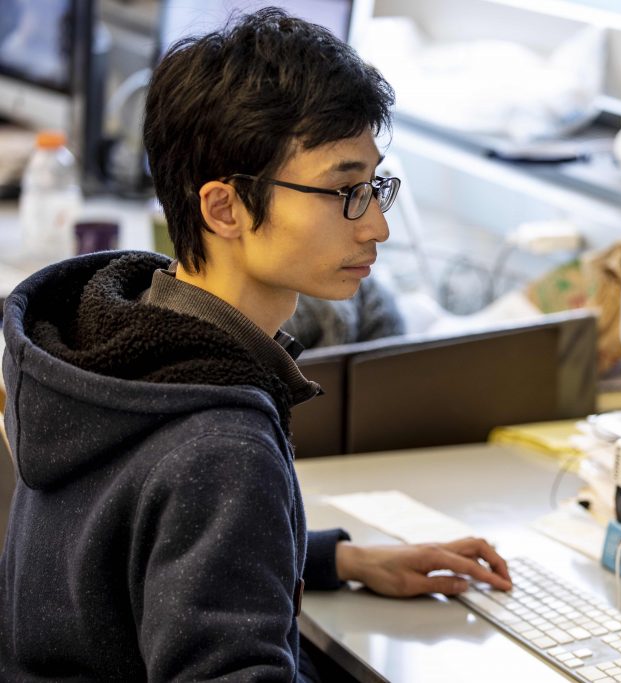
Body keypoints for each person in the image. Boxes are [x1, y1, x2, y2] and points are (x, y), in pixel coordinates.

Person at [0, 9, 511, 680]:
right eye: (343, 190)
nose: (377, 225)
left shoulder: (100, 351)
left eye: (375, 185)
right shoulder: (220, 445)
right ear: (223, 209)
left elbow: (134, 546)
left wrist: (327, 556)